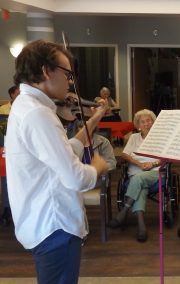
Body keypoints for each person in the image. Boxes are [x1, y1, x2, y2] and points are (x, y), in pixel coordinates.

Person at [6, 40, 109, 284]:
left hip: (46, 224)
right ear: (46, 71)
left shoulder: (26, 106)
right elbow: (76, 178)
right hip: (55, 226)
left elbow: (64, 151)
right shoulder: (38, 113)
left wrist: (95, 118)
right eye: (67, 73)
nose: (70, 81)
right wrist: (97, 168)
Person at [108, 109, 160, 242]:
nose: (146, 123)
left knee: (138, 179)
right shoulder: (133, 137)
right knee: (140, 187)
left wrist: (152, 164)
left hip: (154, 173)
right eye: (143, 121)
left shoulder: (161, 137)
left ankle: (124, 211)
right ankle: (141, 225)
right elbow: (125, 155)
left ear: (154, 122)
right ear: (138, 125)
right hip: (136, 172)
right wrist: (137, 163)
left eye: (149, 120)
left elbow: (167, 157)